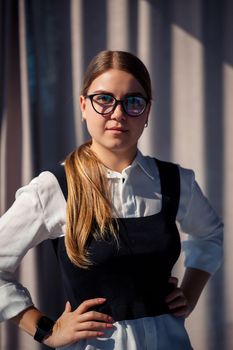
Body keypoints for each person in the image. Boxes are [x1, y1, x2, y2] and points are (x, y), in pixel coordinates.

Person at [0, 50, 223, 350]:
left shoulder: (174, 181)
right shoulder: (54, 187)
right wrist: (46, 330)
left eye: (133, 101)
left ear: (147, 112)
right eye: (104, 99)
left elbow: (210, 235)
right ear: (83, 106)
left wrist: (190, 293)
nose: (118, 113)